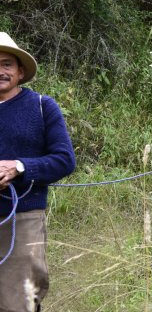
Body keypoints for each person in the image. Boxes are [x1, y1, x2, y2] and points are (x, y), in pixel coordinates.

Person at [0, 32, 76, 312]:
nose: (0, 71)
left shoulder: (42, 107)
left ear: (20, 72)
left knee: (17, 302)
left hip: (22, 218)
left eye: (7, 64)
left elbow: (64, 160)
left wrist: (19, 167)